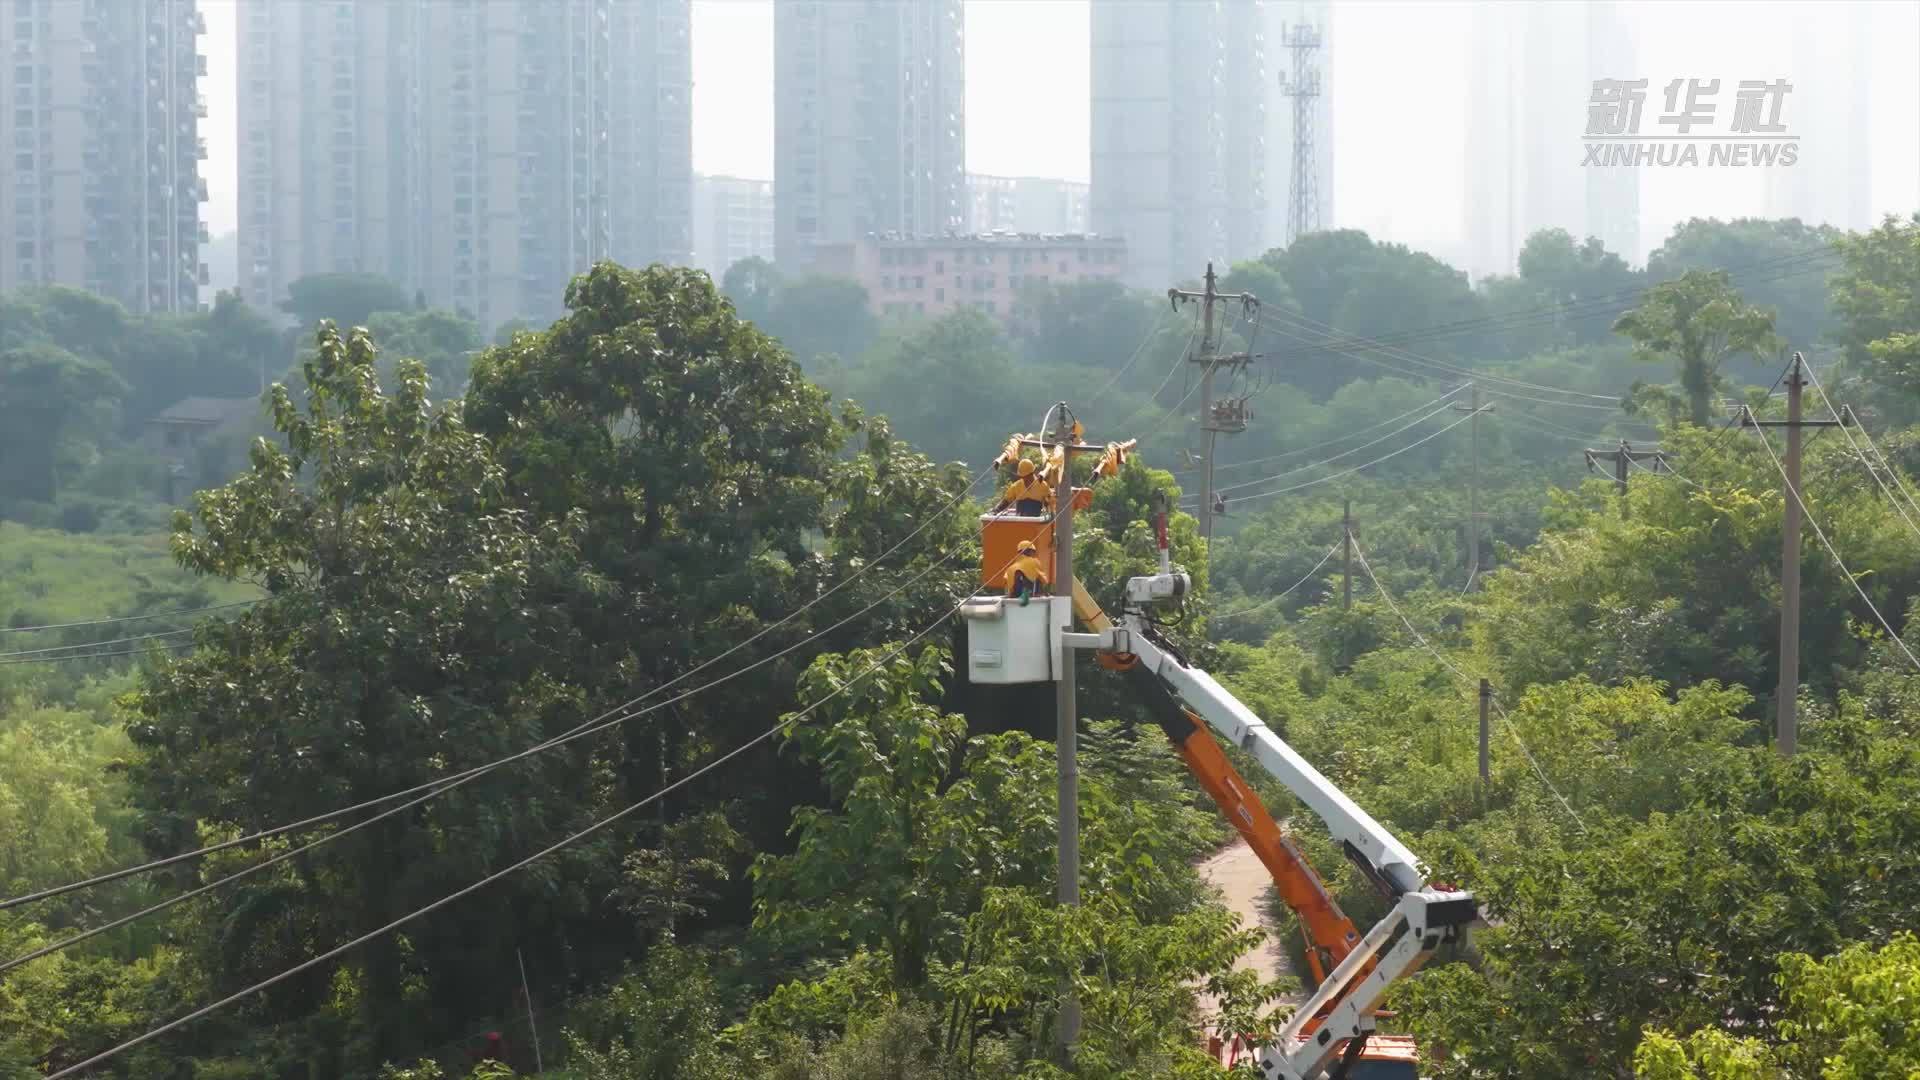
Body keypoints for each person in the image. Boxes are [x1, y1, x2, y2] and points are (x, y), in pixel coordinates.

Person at [1005, 540, 1050, 606]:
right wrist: (1045, 592)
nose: (1033, 553)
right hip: (1031, 598)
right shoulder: (1034, 562)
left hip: (1014, 598)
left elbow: (1007, 583)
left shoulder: (1011, 567)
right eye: (1033, 551)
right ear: (1029, 551)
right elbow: (1043, 579)